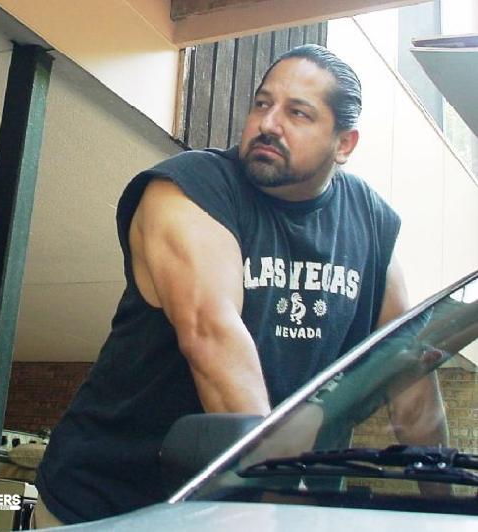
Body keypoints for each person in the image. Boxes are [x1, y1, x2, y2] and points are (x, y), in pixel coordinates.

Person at [33, 44, 448, 526]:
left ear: (344, 144)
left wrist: (445, 503)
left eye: (297, 113)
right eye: (262, 104)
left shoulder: (371, 224)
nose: (268, 124)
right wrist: (282, 509)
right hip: (114, 504)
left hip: (260, 507)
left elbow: (409, 377)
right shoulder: (189, 188)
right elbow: (214, 341)